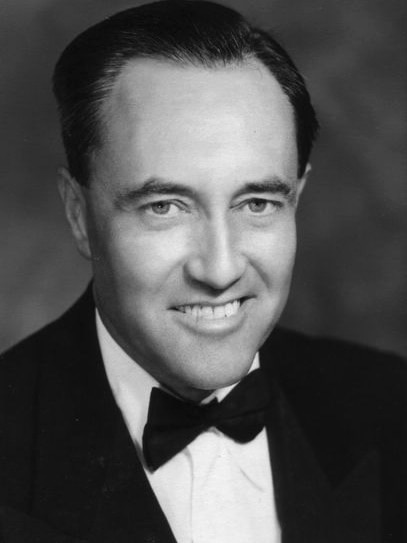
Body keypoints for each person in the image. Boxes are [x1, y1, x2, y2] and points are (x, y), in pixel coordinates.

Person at [0, 1, 405, 542]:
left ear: (298, 199)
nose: (220, 269)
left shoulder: (390, 403)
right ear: (79, 216)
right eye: (164, 206)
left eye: (257, 202)